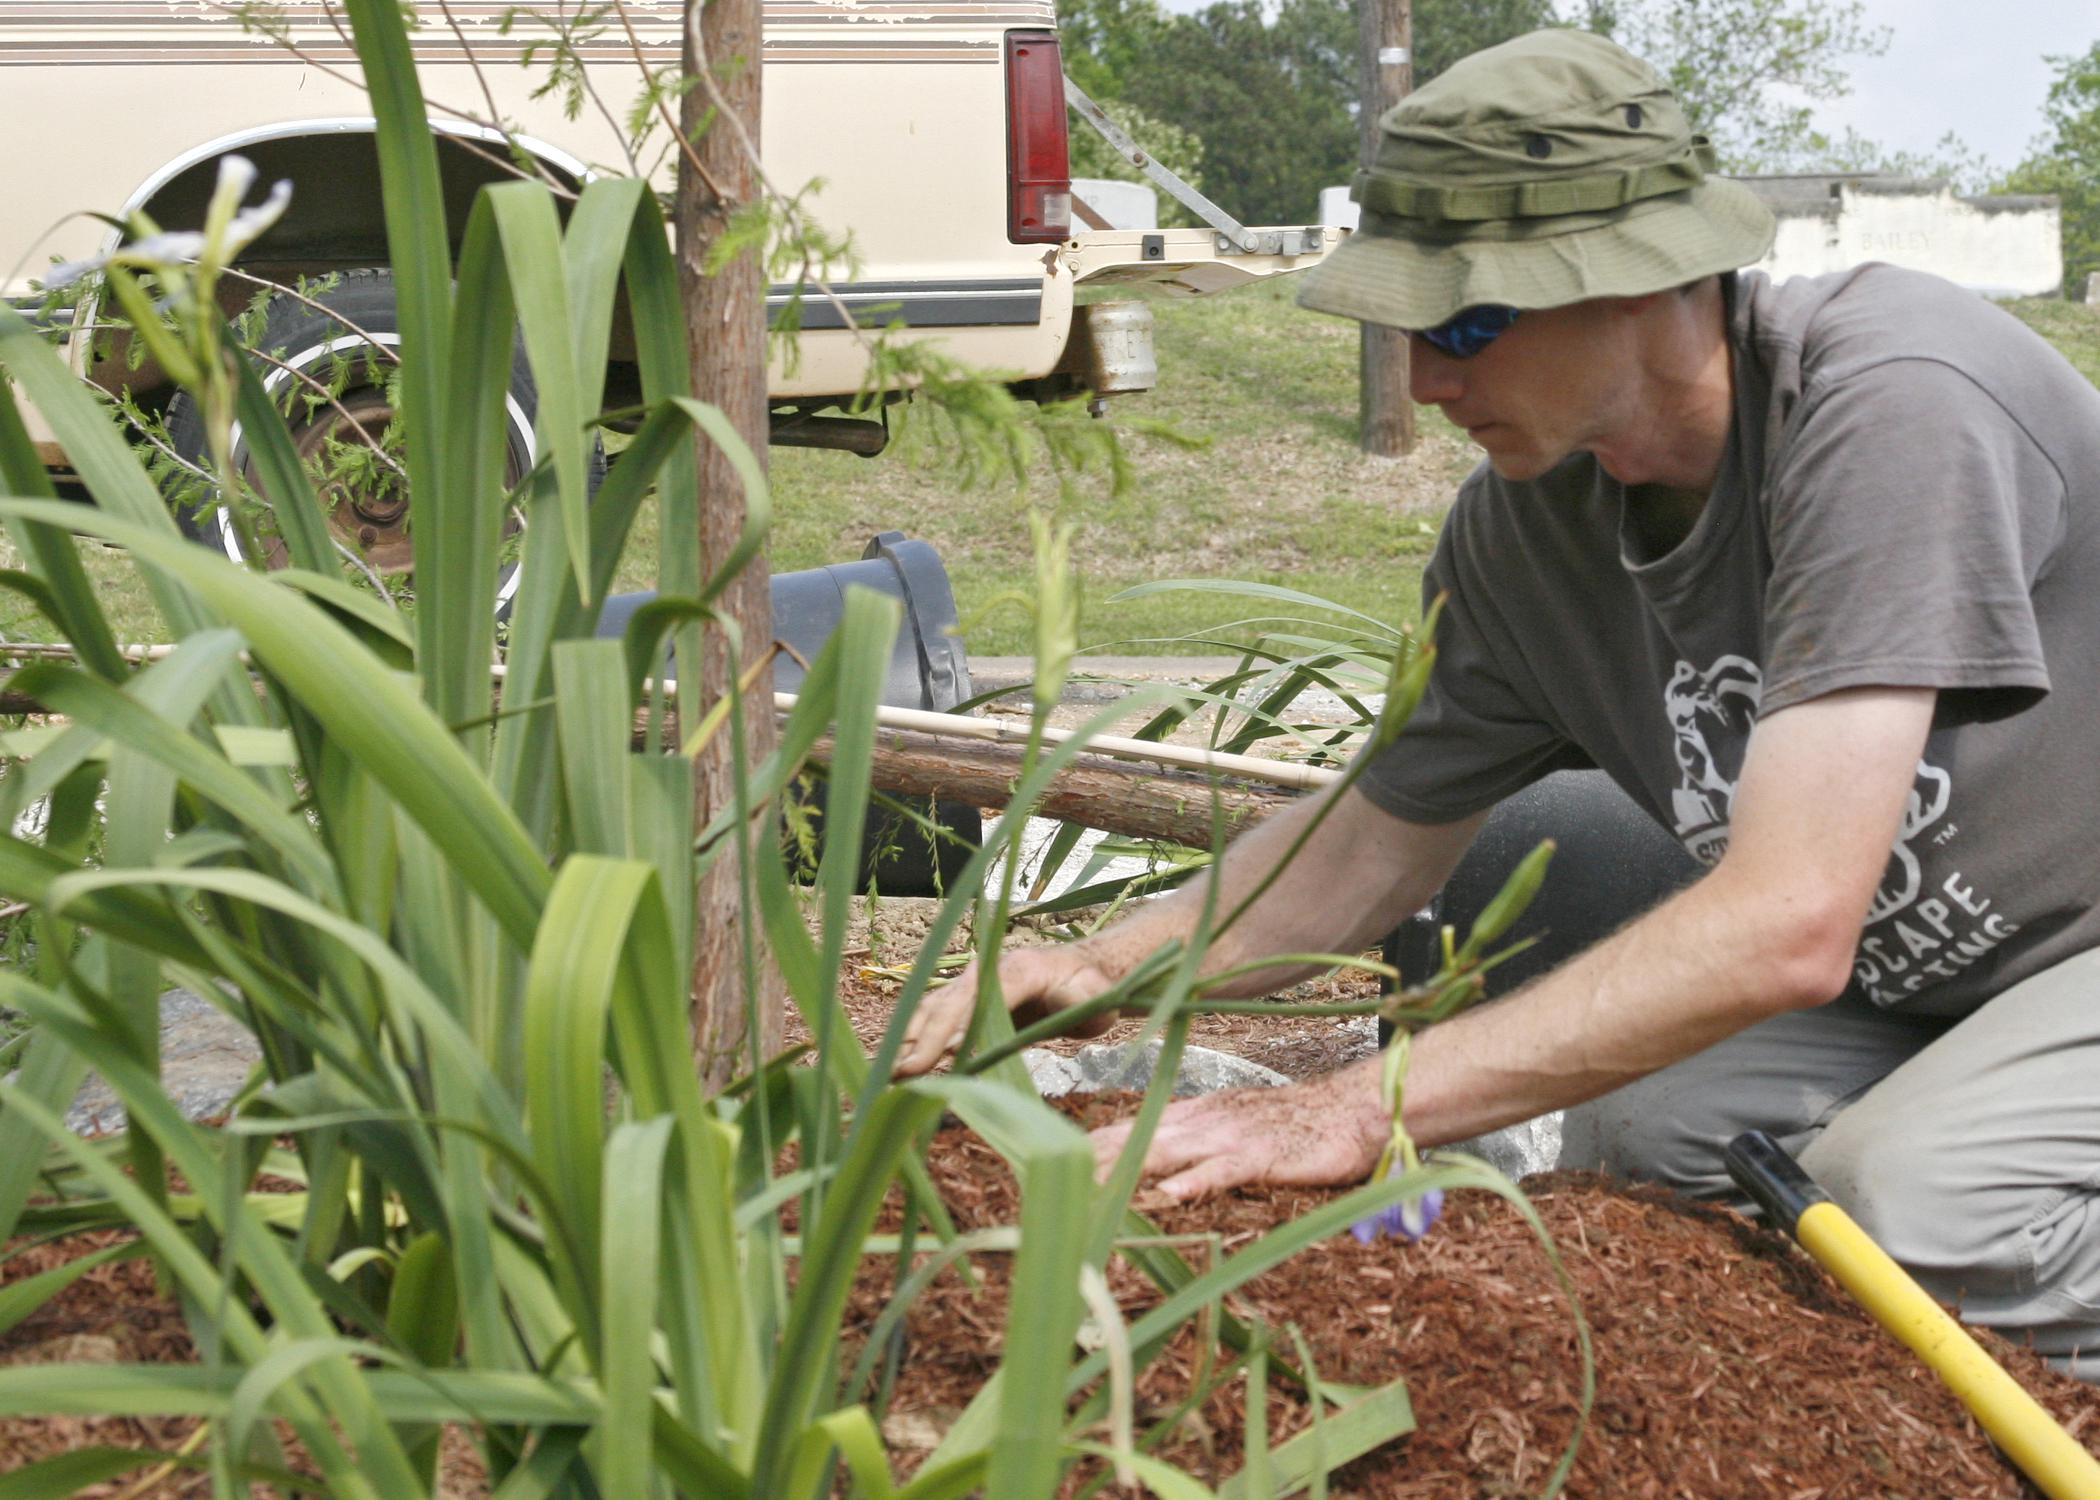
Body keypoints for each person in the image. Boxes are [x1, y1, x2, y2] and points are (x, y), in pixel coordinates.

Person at [897, 28, 2100, 1378]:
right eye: (1403, 329)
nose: (1422, 380)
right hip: (1942, 983)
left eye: (1464, 326)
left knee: (1912, 1210)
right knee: (1651, 1148)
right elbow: (1363, 851)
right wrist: (1112, 965)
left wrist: (1352, 1111)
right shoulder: (1530, 536)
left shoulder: (1889, 404)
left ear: (1641, 283)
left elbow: (1787, 924)